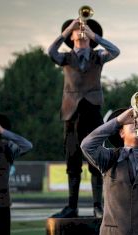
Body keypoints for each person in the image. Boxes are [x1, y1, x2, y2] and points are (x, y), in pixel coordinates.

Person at [48, 17, 120, 218]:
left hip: (93, 111)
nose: (80, 31)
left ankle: (98, 206)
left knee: (95, 160)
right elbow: (50, 52)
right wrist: (67, 29)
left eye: (84, 30)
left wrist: (94, 35)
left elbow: (116, 51)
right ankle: (72, 206)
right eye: (76, 30)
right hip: (71, 113)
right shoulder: (65, 57)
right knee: (72, 160)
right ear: (71, 36)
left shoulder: (98, 56)